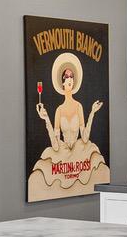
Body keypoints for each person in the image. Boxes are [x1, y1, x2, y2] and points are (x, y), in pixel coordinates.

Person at [29, 51, 109, 201]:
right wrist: (46, 119)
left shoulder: (79, 106)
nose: (70, 79)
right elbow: (56, 145)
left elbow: (85, 138)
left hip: (79, 151)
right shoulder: (59, 110)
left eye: (72, 76)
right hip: (63, 153)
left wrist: (92, 113)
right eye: (66, 77)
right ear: (62, 82)